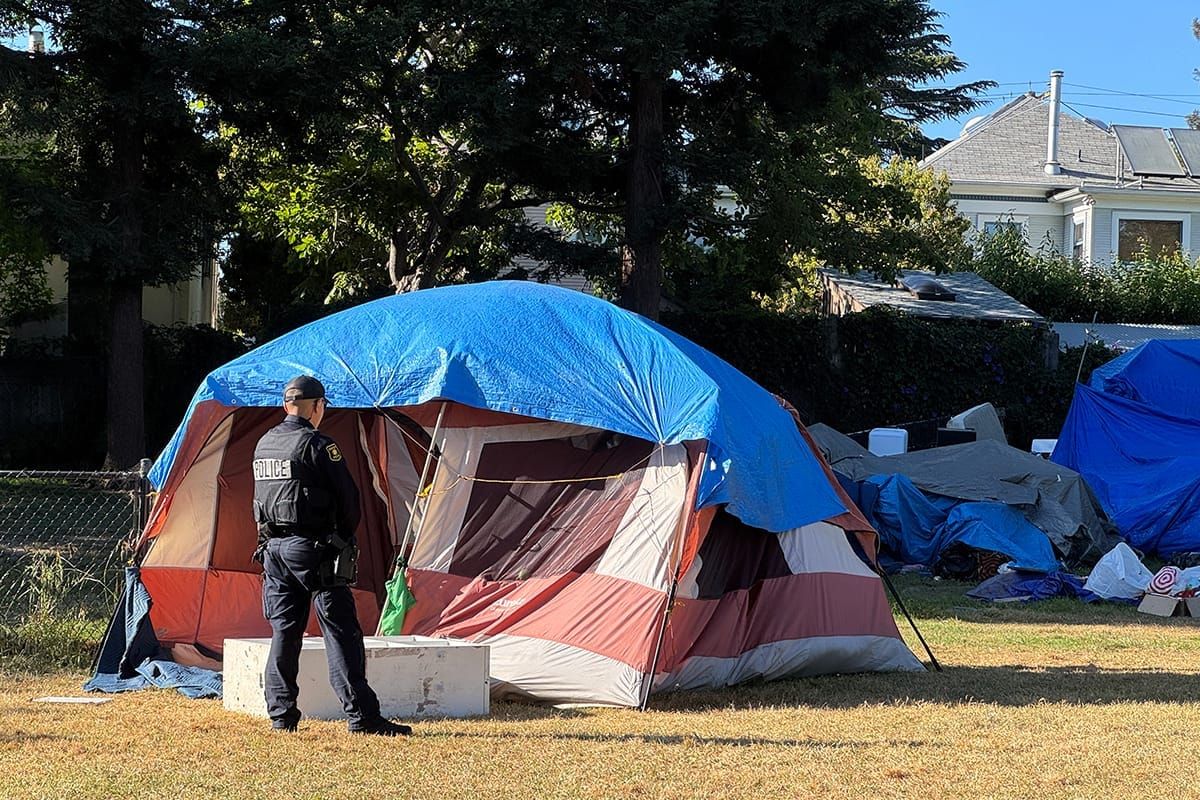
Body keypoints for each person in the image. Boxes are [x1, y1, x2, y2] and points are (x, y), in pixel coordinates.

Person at [252, 374, 410, 736]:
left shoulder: (264, 444)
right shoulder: (318, 445)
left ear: (284, 404)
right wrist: (340, 541)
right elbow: (349, 502)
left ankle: (281, 715)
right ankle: (362, 716)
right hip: (314, 551)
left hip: (273, 552)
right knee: (340, 633)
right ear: (318, 406)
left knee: (284, 632)